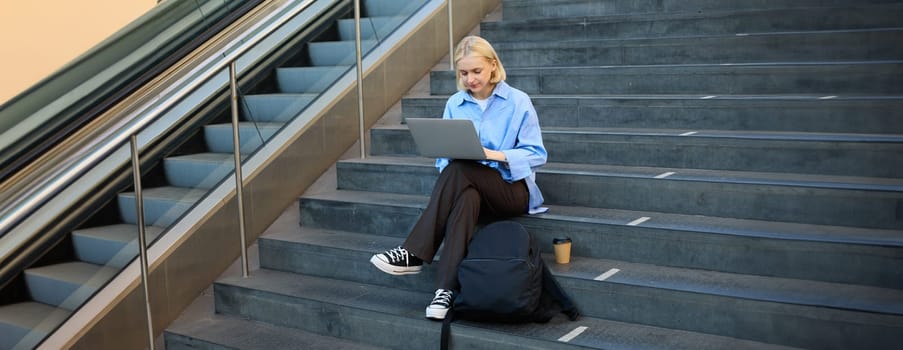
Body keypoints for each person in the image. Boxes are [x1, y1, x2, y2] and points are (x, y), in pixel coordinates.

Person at [369, 35, 547, 320]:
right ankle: (445, 291)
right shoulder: (455, 103)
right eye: (464, 73)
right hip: (468, 185)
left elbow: (537, 154)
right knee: (464, 196)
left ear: (492, 66)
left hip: (511, 190)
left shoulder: (517, 101)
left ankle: (412, 253)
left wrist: (492, 155)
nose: (470, 79)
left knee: (460, 171)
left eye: (476, 71)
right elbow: (444, 159)